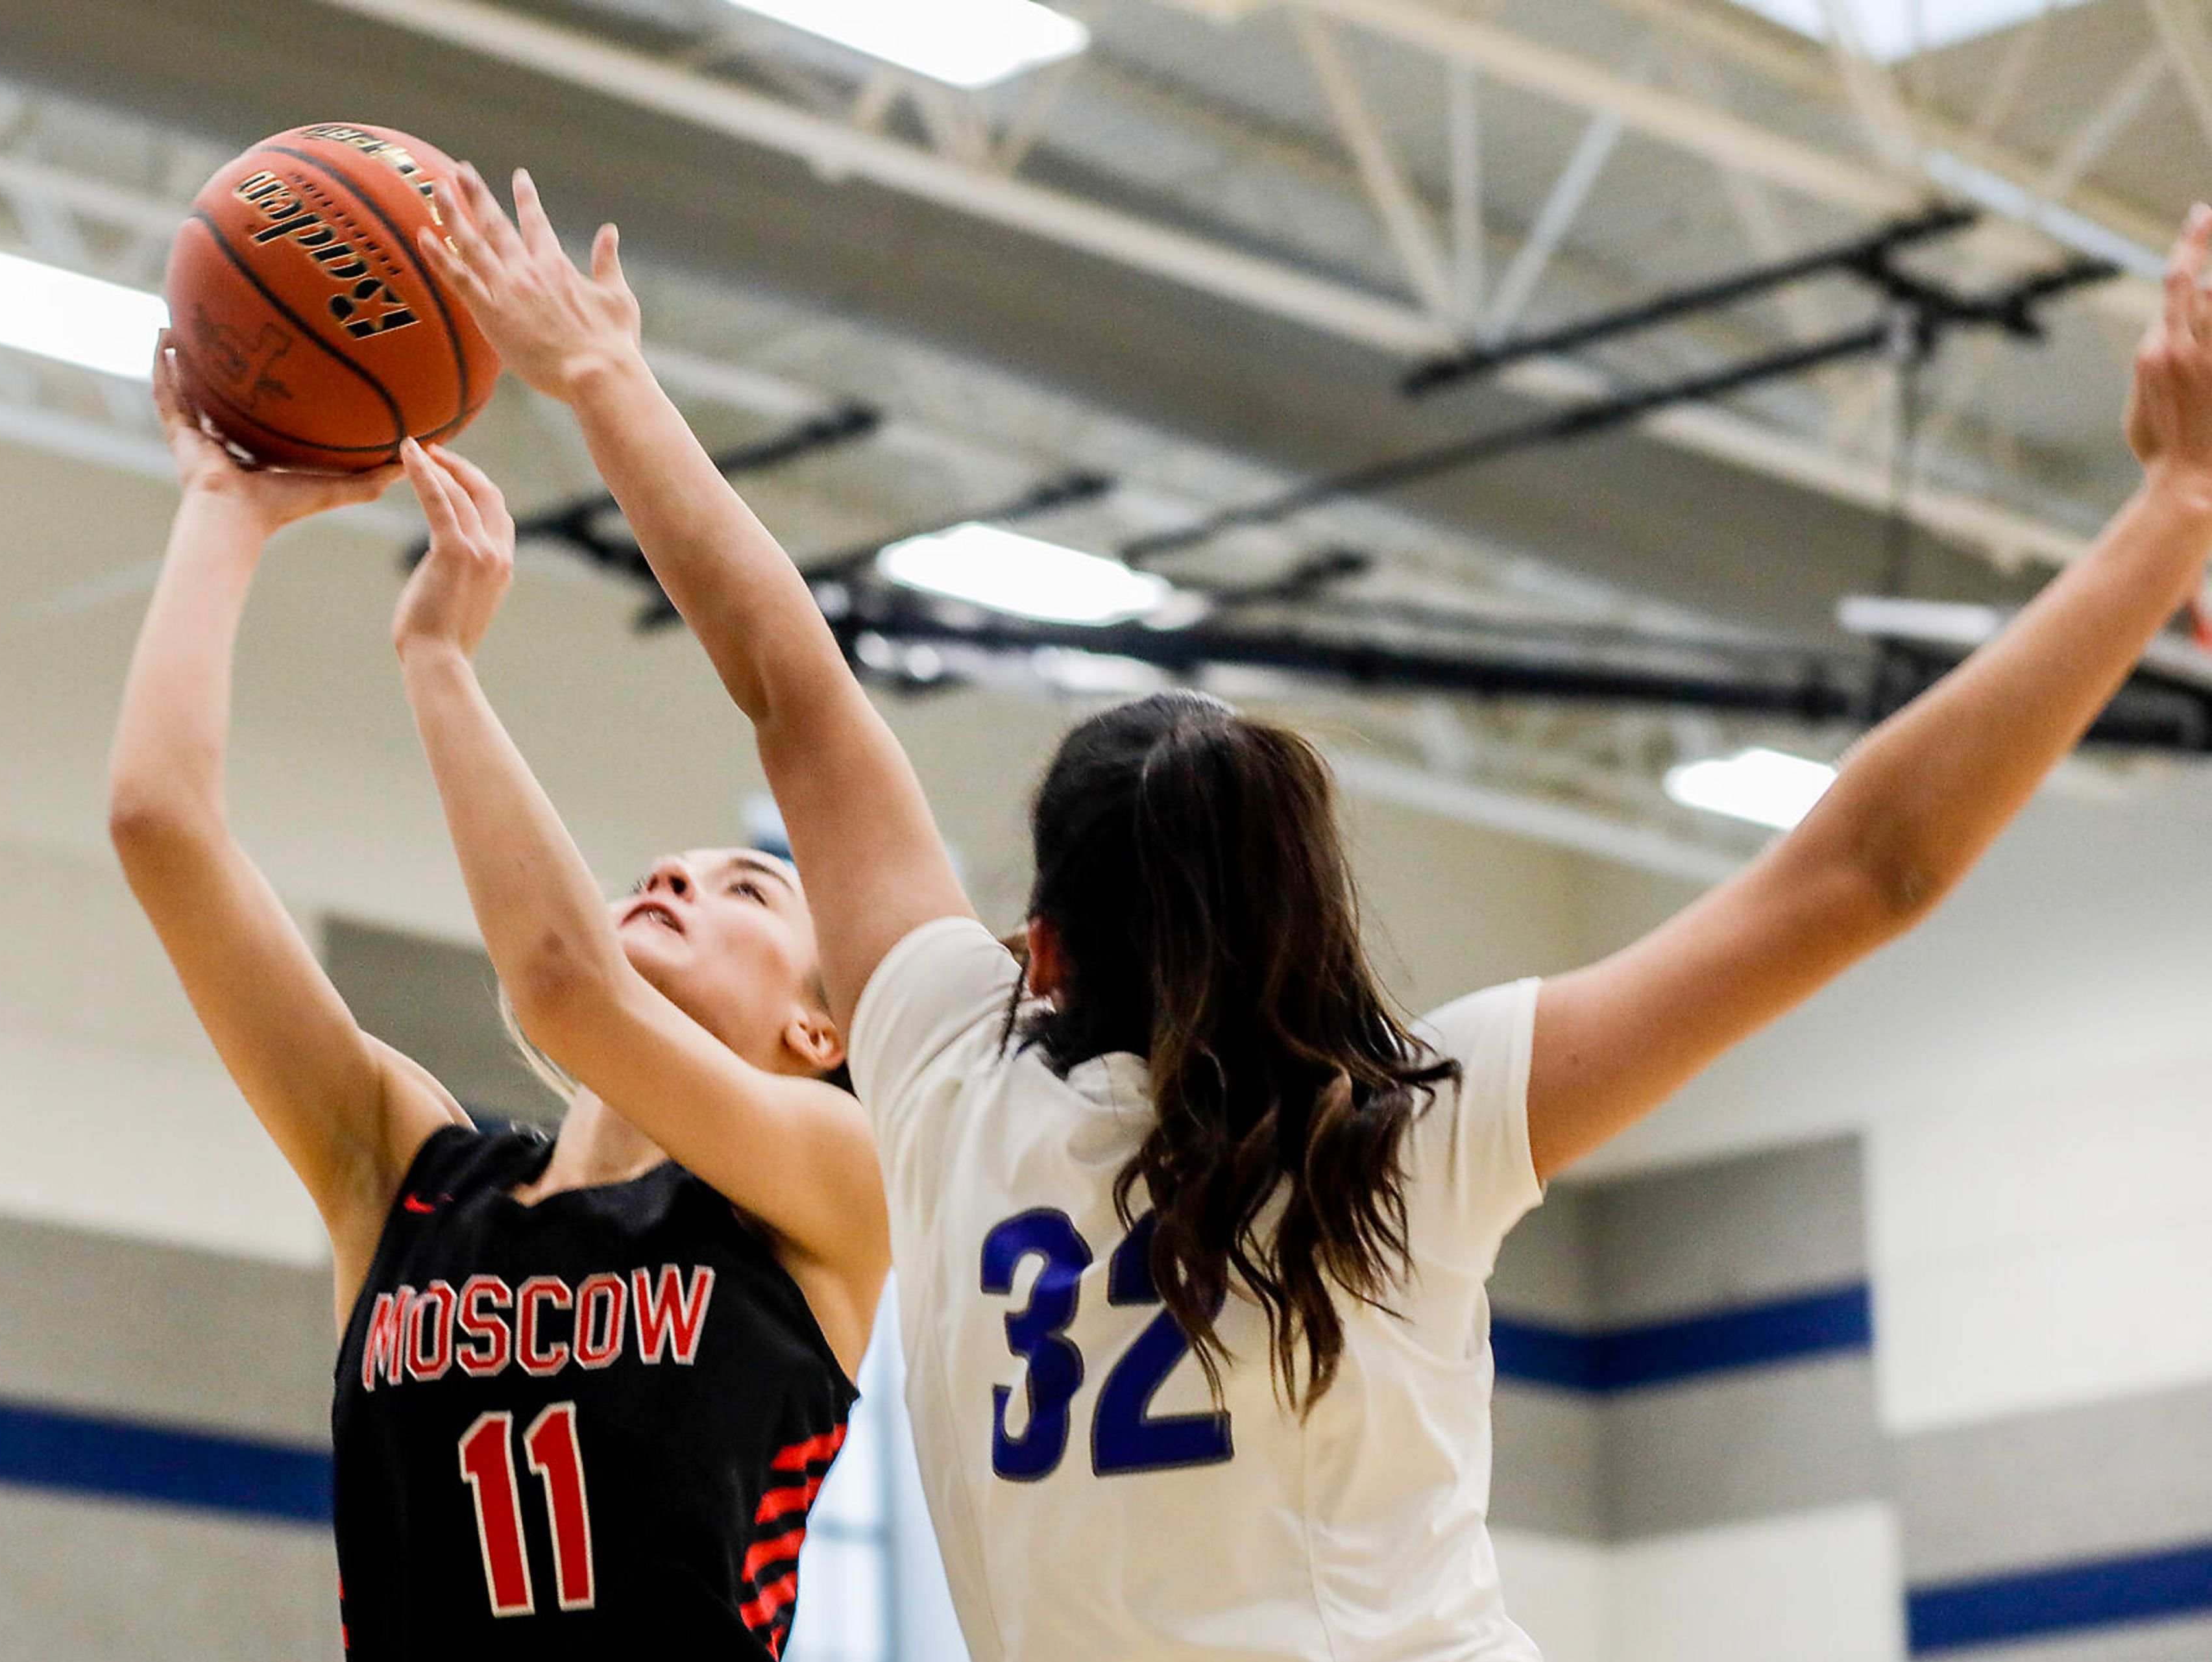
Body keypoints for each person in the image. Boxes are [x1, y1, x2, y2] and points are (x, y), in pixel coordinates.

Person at [426, 163, 2212, 1661]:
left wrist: (604, 381)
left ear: (1039, 949)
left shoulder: (951, 1087)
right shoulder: (1407, 1132)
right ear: (1312, 912)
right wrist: (2173, 511)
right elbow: (1865, 868)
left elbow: (788, 682)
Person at [106, 343, 887, 1659]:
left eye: (745, 890)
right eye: (666, 867)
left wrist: (439, 662)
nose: (675, 878)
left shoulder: (832, 1192)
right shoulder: (406, 1178)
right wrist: (223, 510)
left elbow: (563, 986)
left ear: (820, 1034)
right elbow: (157, 824)